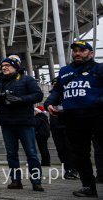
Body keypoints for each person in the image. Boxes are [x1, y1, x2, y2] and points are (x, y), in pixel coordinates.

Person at [44, 39, 103, 198]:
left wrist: (95, 101)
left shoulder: (99, 68)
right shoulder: (64, 71)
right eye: (75, 50)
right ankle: (88, 187)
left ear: (91, 53)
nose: (77, 53)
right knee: (79, 154)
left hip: (97, 116)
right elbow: (57, 91)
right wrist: (49, 103)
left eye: (82, 51)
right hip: (73, 118)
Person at [0, 55, 44, 191]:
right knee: (11, 153)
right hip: (7, 123)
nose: (4, 67)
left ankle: (36, 181)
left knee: (31, 153)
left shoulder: (27, 80)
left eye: (8, 65)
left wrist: (20, 99)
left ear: (16, 67)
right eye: (3, 66)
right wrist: (0, 97)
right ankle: (15, 181)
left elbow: (38, 95)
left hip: (25, 122)